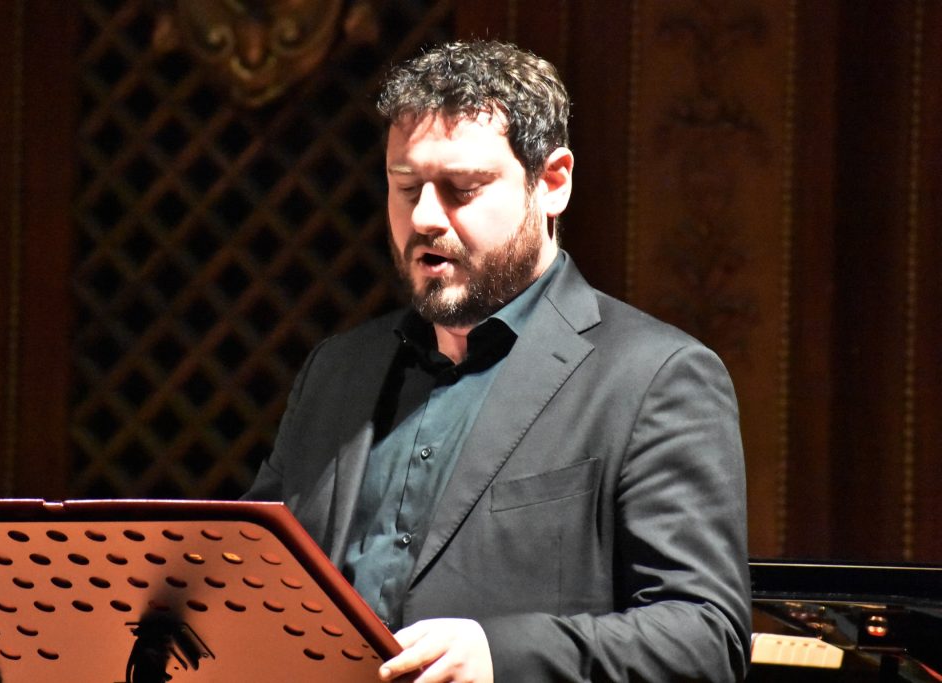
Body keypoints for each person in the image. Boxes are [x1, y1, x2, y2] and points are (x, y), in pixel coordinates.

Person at [243, 40, 751, 682]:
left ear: (553, 182)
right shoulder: (338, 369)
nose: (426, 217)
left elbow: (706, 637)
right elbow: (254, 575)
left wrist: (498, 656)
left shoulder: (656, 377)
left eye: (462, 189)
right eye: (406, 187)